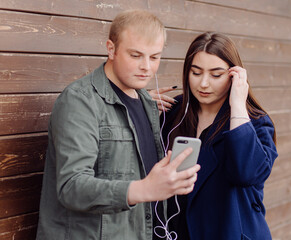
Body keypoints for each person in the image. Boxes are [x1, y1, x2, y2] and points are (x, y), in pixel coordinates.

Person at [36, 10, 200, 240]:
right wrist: (144, 189)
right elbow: (71, 187)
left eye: (154, 57)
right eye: (136, 55)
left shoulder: (146, 102)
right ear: (111, 49)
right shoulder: (80, 101)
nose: (146, 67)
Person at [159, 32, 278, 240]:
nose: (204, 84)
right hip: (176, 232)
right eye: (196, 73)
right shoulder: (174, 112)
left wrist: (238, 105)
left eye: (216, 75)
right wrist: (140, 105)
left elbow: (246, 174)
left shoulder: (255, 122)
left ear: (234, 76)